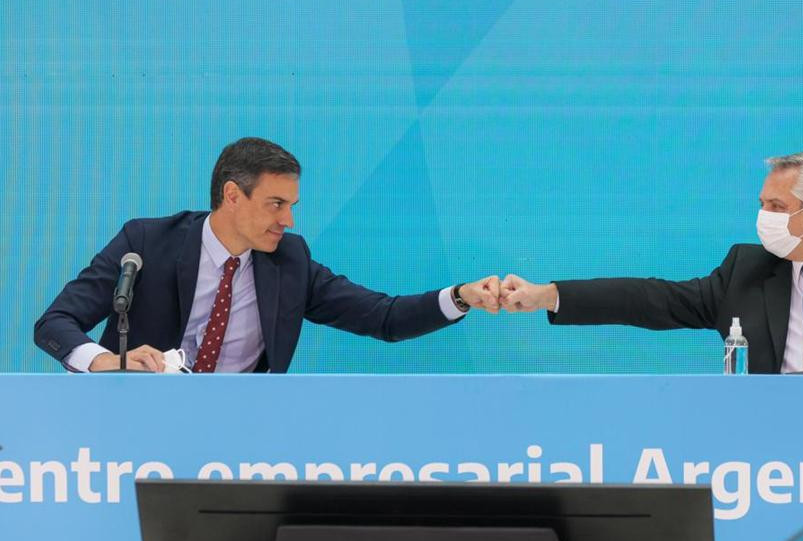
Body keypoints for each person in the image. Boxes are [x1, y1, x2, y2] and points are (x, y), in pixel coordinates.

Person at [35, 137, 500, 373]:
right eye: (276, 205)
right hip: (137, 428)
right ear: (233, 195)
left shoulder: (289, 262)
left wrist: (460, 297)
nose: (288, 221)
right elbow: (54, 325)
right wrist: (107, 361)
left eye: (291, 206)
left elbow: (385, 318)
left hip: (243, 439)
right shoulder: (147, 242)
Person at [499, 152, 803, 375]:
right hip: (774, 440)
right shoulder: (748, 269)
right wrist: (550, 294)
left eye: (776, 207)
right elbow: (652, 300)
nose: (762, 218)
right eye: (762, 203)